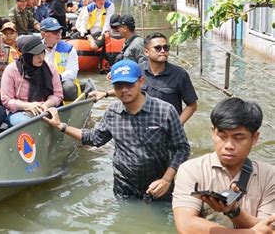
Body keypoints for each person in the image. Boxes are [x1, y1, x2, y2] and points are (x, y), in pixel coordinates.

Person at [44, 60, 190, 199]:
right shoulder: (113, 112)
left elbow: (182, 148)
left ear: (141, 82)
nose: (124, 90)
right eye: (119, 86)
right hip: (124, 188)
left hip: (159, 187)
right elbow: (94, 138)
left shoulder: (165, 111)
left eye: (129, 84)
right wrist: (61, 126)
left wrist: (166, 179)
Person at [172, 97, 275, 233]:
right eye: (222, 136)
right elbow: (186, 226)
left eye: (239, 138)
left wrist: (234, 211)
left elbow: (268, 228)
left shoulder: (269, 175)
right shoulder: (191, 170)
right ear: (213, 132)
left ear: (255, 138)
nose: (229, 146)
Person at [1, 36, 63, 126]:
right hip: (20, 112)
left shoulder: (50, 67)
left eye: (42, 53)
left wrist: (46, 105)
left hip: (45, 109)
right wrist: (28, 106)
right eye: (36, 54)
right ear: (27, 55)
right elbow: (6, 100)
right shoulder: (11, 70)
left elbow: (58, 95)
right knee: (27, 123)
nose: (41, 57)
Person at [141, 32, 198, 124]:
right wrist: (108, 93)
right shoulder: (138, 71)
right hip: (143, 128)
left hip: (169, 132)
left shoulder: (180, 74)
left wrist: (176, 126)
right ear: (146, 52)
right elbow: (127, 92)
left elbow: (192, 105)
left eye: (166, 47)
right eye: (158, 48)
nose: (163, 51)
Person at [40, 17, 79, 101]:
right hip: (41, 82)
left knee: (69, 88)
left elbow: (72, 72)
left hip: (62, 81)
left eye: (59, 31)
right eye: (54, 32)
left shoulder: (69, 49)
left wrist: (57, 77)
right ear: (43, 34)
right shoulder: (35, 49)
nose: (58, 34)